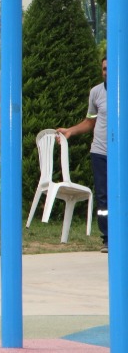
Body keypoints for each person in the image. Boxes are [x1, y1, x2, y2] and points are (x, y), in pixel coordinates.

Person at [57, 57, 108, 253]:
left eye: (110, 68)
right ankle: (107, 239)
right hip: (100, 152)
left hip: (121, 154)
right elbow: (90, 122)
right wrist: (70, 131)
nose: (106, 72)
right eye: (104, 69)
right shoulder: (96, 93)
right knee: (103, 197)